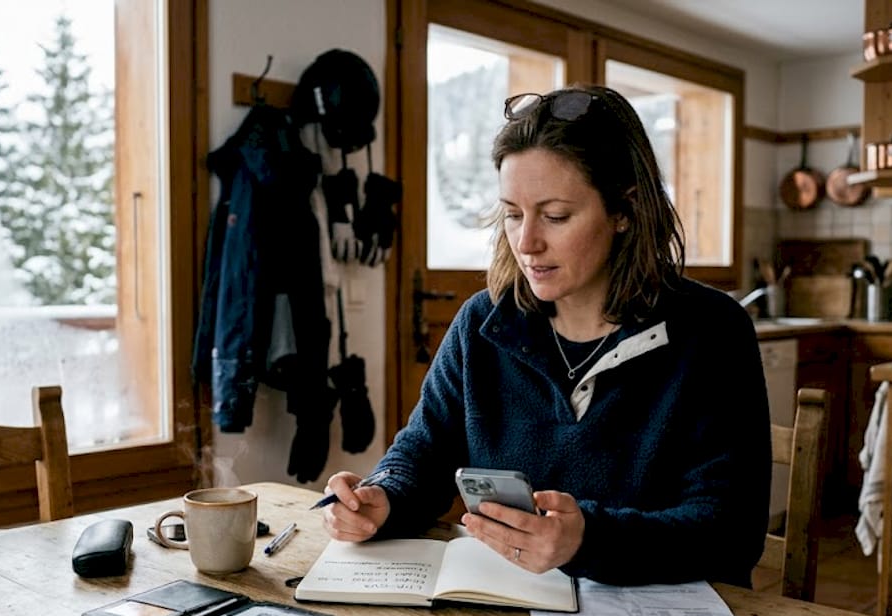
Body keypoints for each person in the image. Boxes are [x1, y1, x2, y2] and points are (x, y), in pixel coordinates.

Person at [321, 85, 771, 588]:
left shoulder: (712, 331)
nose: (527, 243)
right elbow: (423, 452)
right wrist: (384, 496)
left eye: (556, 216)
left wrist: (588, 541)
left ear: (625, 209)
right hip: (509, 610)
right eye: (512, 214)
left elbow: (732, 532)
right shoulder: (482, 324)